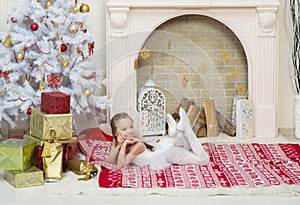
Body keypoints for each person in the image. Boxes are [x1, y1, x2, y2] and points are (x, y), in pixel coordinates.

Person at [106, 107, 209, 170]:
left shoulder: (138, 145)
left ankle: (187, 130)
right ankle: (178, 133)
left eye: (131, 127)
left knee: (203, 160)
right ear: (116, 132)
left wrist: (123, 145)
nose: (130, 131)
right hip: (163, 151)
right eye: (124, 129)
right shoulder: (119, 142)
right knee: (190, 151)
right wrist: (118, 145)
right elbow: (110, 160)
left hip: (167, 152)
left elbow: (120, 165)